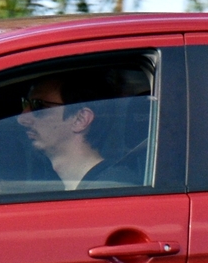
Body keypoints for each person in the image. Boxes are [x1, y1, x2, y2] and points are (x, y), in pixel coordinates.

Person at [16, 71, 144, 190]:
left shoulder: (114, 188)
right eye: (24, 104)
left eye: (38, 106)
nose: (21, 118)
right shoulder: (63, 188)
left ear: (80, 120)